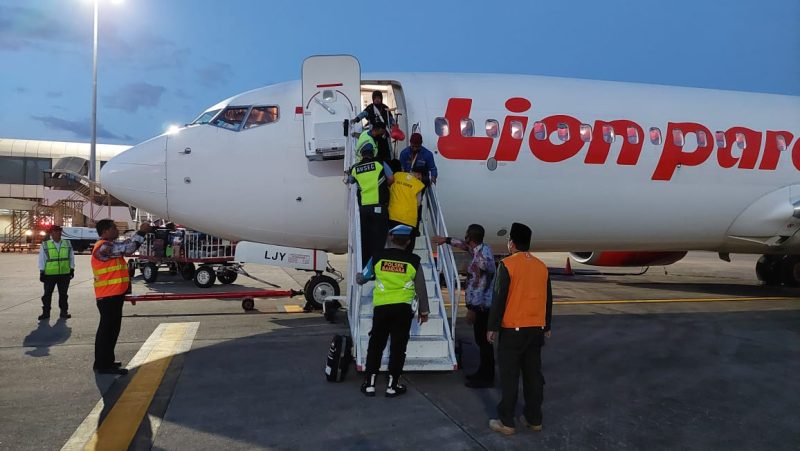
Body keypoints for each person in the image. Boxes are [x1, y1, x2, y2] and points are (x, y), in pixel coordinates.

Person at [486, 222, 553, 435]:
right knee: (533, 375)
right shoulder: (541, 266)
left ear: (512, 243)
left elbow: (498, 298)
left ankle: (507, 422)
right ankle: (534, 419)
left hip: (513, 329)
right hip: (536, 329)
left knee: (510, 376)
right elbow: (548, 298)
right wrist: (547, 324)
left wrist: (492, 327)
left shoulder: (507, 265)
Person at [356, 224, 429, 397]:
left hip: (382, 308)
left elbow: (363, 278)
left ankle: (370, 384)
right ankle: (392, 385)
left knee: (376, 345)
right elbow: (421, 288)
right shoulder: (414, 260)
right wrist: (424, 312)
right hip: (403, 310)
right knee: (398, 347)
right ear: (408, 242)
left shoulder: (378, 257)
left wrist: (360, 277)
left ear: (390, 238)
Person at [432, 224, 495, 388]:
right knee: (482, 342)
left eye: (466, 235)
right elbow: (462, 244)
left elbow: (481, 286)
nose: (465, 238)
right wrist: (445, 240)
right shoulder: (481, 249)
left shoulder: (481, 260)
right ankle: (483, 373)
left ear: (470, 238)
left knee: (483, 343)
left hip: (482, 308)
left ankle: (487, 377)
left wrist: (472, 310)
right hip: (482, 307)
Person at [91, 219, 152, 375]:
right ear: (105, 231)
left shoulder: (109, 246)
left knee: (112, 330)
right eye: (114, 228)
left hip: (114, 294)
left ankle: (107, 361)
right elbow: (129, 248)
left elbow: (120, 268)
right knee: (107, 331)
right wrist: (142, 232)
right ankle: (103, 365)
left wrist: (127, 292)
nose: (117, 230)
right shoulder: (103, 247)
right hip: (108, 296)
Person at [348, 143, 393, 268]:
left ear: (362, 155)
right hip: (378, 207)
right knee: (378, 241)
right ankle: (377, 267)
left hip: (364, 208)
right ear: (372, 153)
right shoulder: (380, 164)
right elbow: (391, 179)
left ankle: (365, 269)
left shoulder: (355, 168)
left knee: (365, 239)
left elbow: (350, 181)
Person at [37, 225, 75, 320]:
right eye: (55, 232)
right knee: (47, 295)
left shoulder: (67, 243)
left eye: (59, 232)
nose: (58, 233)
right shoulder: (45, 244)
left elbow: (71, 256)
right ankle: (46, 313)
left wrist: (72, 268)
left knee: (63, 295)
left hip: (64, 274)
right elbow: (42, 259)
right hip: (50, 274)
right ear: (51, 233)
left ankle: (64, 312)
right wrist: (42, 272)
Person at [387, 159, 425, 251]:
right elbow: (418, 204)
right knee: (408, 248)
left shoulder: (394, 177)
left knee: (392, 245)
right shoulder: (418, 184)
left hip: (393, 216)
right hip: (409, 219)